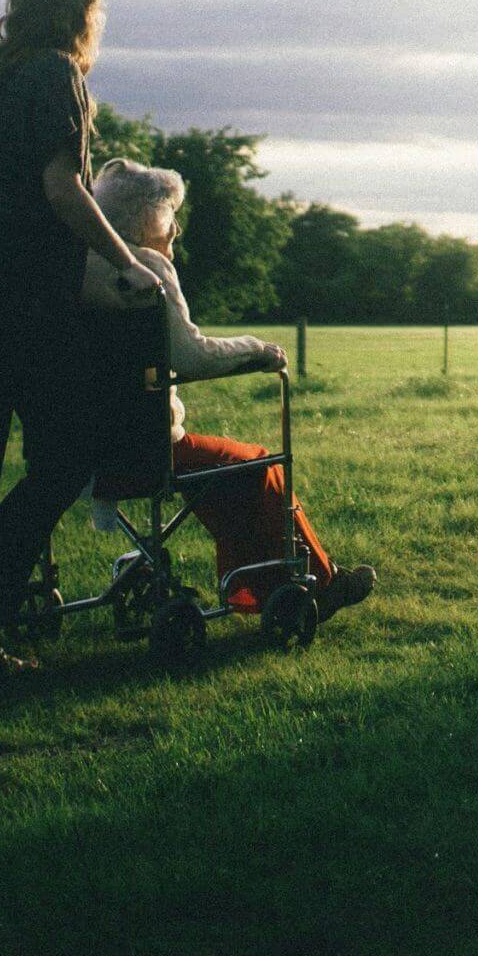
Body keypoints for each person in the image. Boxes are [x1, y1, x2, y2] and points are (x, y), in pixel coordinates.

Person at [0, 0, 162, 679]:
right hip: (17, 310)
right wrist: (127, 260)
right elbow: (63, 188)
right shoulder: (57, 77)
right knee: (64, 459)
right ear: (79, 13)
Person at [79, 159, 374, 619]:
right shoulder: (146, 268)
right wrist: (257, 349)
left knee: (222, 472)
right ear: (145, 219)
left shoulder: (80, 266)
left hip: (83, 449)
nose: (176, 227)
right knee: (256, 464)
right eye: (169, 213)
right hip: (145, 449)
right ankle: (320, 582)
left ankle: (252, 591)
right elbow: (191, 356)